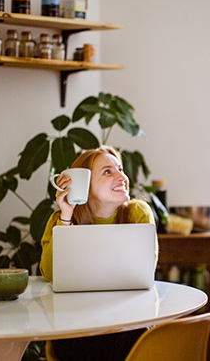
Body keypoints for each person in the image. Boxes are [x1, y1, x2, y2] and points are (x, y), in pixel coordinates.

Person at [40, 145, 158, 361]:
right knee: (79, 339)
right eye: (108, 172)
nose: (122, 176)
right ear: (85, 186)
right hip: (76, 326)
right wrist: (66, 216)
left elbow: (144, 273)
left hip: (127, 322)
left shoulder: (138, 213)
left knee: (132, 335)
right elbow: (50, 273)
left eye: (120, 169)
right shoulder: (60, 220)